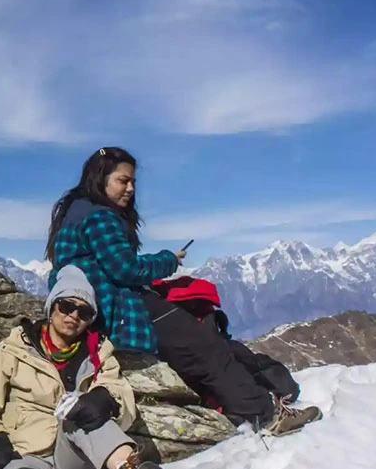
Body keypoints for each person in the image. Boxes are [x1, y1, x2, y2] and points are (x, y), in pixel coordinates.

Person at [45, 147, 322, 436]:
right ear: (100, 178)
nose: (130, 189)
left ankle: (244, 401)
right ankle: (265, 416)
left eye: (133, 182)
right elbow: (126, 269)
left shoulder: (76, 212)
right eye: (123, 181)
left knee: (200, 342)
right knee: (206, 347)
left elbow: (108, 264)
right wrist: (167, 260)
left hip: (97, 309)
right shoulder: (100, 217)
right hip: (121, 309)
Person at [0, 265, 173, 469]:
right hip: (22, 453)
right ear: (51, 307)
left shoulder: (98, 353)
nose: (73, 316)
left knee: (81, 413)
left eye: (84, 312)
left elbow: (119, 393)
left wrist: (102, 399)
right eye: (67, 306)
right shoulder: (12, 351)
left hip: (75, 460)